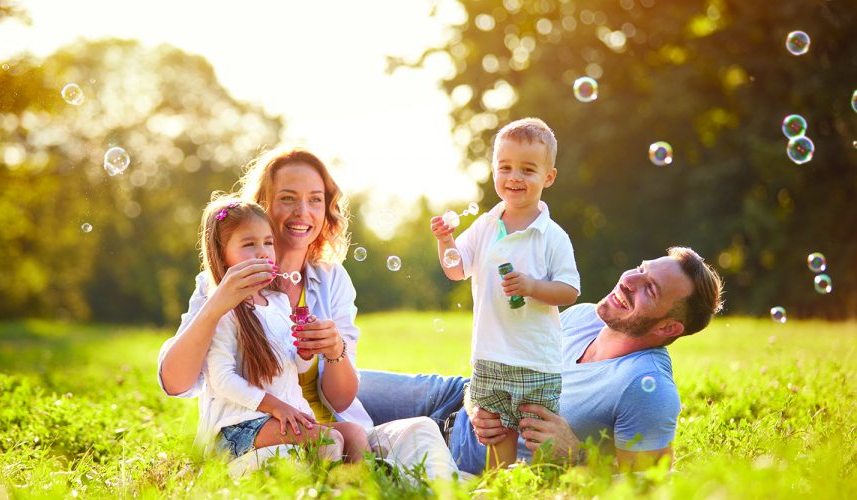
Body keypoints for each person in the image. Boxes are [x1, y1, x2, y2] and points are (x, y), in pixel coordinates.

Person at [158, 147, 457, 478]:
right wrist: (216, 305)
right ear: (262, 205)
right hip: (260, 436)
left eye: (316, 200)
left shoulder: (331, 279)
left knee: (422, 430)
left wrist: (334, 351)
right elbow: (175, 383)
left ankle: (434, 487)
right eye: (288, 198)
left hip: (331, 429)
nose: (303, 212)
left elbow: (341, 401)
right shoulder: (220, 283)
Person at [357, 246, 723, 473]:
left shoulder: (648, 389)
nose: (629, 280)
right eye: (641, 269)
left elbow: (648, 488)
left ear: (669, 327)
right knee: (329, 382)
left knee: (342, 441)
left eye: (650, 288)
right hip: (453, 396)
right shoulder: (583, 316)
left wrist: (577, 455)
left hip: (464, 452)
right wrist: (475, 399)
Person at [429, 117, 580, 468]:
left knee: (539, 433)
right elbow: (455, 268)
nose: (515, 177)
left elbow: (570, 290)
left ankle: (548, 486)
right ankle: (502, 486)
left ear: (548, 177)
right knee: (496, 432)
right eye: (506, 167)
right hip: (490, 355)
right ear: (494, 170)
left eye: (528, 169)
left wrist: (532, 287)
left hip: (535, 359)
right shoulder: (485, 225)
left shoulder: (552, 236)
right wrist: (445, 240)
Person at [194, 196, 369, 462]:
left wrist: (305, 350)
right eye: (249, 244)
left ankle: (356, 487)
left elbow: (294, 368)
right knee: (329, 439)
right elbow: (222, 379)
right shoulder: (221, 309)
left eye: (268, 242)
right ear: (222, 253)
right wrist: (276, 406)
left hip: (279, 417)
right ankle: (329, 487)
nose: (263, 252)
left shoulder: (277, 302)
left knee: (354, 433)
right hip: (239, 425)